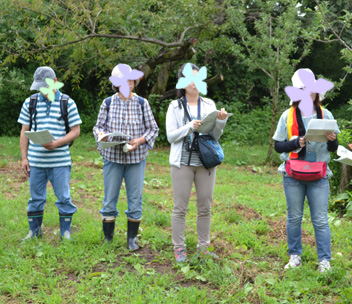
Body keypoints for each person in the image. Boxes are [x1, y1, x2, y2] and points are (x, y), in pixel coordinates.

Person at [273, 68, 339, 272]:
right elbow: (278, 146)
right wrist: (294, 144)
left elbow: (334, 149)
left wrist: (333, 140)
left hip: (319, 174)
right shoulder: (287, 115)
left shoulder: (325, 114)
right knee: (294, 217)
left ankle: (324, 261)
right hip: (293, 174)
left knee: (320, 219)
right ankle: (295, 256)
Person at [166, 63, 229, 262]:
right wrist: (189, 127)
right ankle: (179, 248)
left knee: (205, 206)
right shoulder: (174, 106)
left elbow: (215, 136)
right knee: (180, 207)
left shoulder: (209, 104)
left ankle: (203, 247)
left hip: (205, 162)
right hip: (182, 162)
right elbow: (170, 137)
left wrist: (220, 121)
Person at [93, 64, 159, 251]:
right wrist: (102, 136)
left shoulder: (142, 103)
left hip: (136, 158)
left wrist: (138, 141)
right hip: (112, 157)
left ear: (134, 83)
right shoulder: (107, 103)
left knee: (135, 199)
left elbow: (153, 129)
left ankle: (132, 240)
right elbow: (98, 127)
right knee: (109, 199)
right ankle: (108, 238)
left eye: (130, 80)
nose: (127, 84)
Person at [18, 66, 82, 241]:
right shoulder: (30, 102)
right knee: (35, 198)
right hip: (35, 161)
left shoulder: (67, 102)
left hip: (59, 161)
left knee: (63, 197)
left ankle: (65, 233)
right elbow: (24, 131)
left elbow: (76, 131)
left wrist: (57, 143)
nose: (42, 91)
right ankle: (34, 232)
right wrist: (24, 158)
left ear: (54, 82)